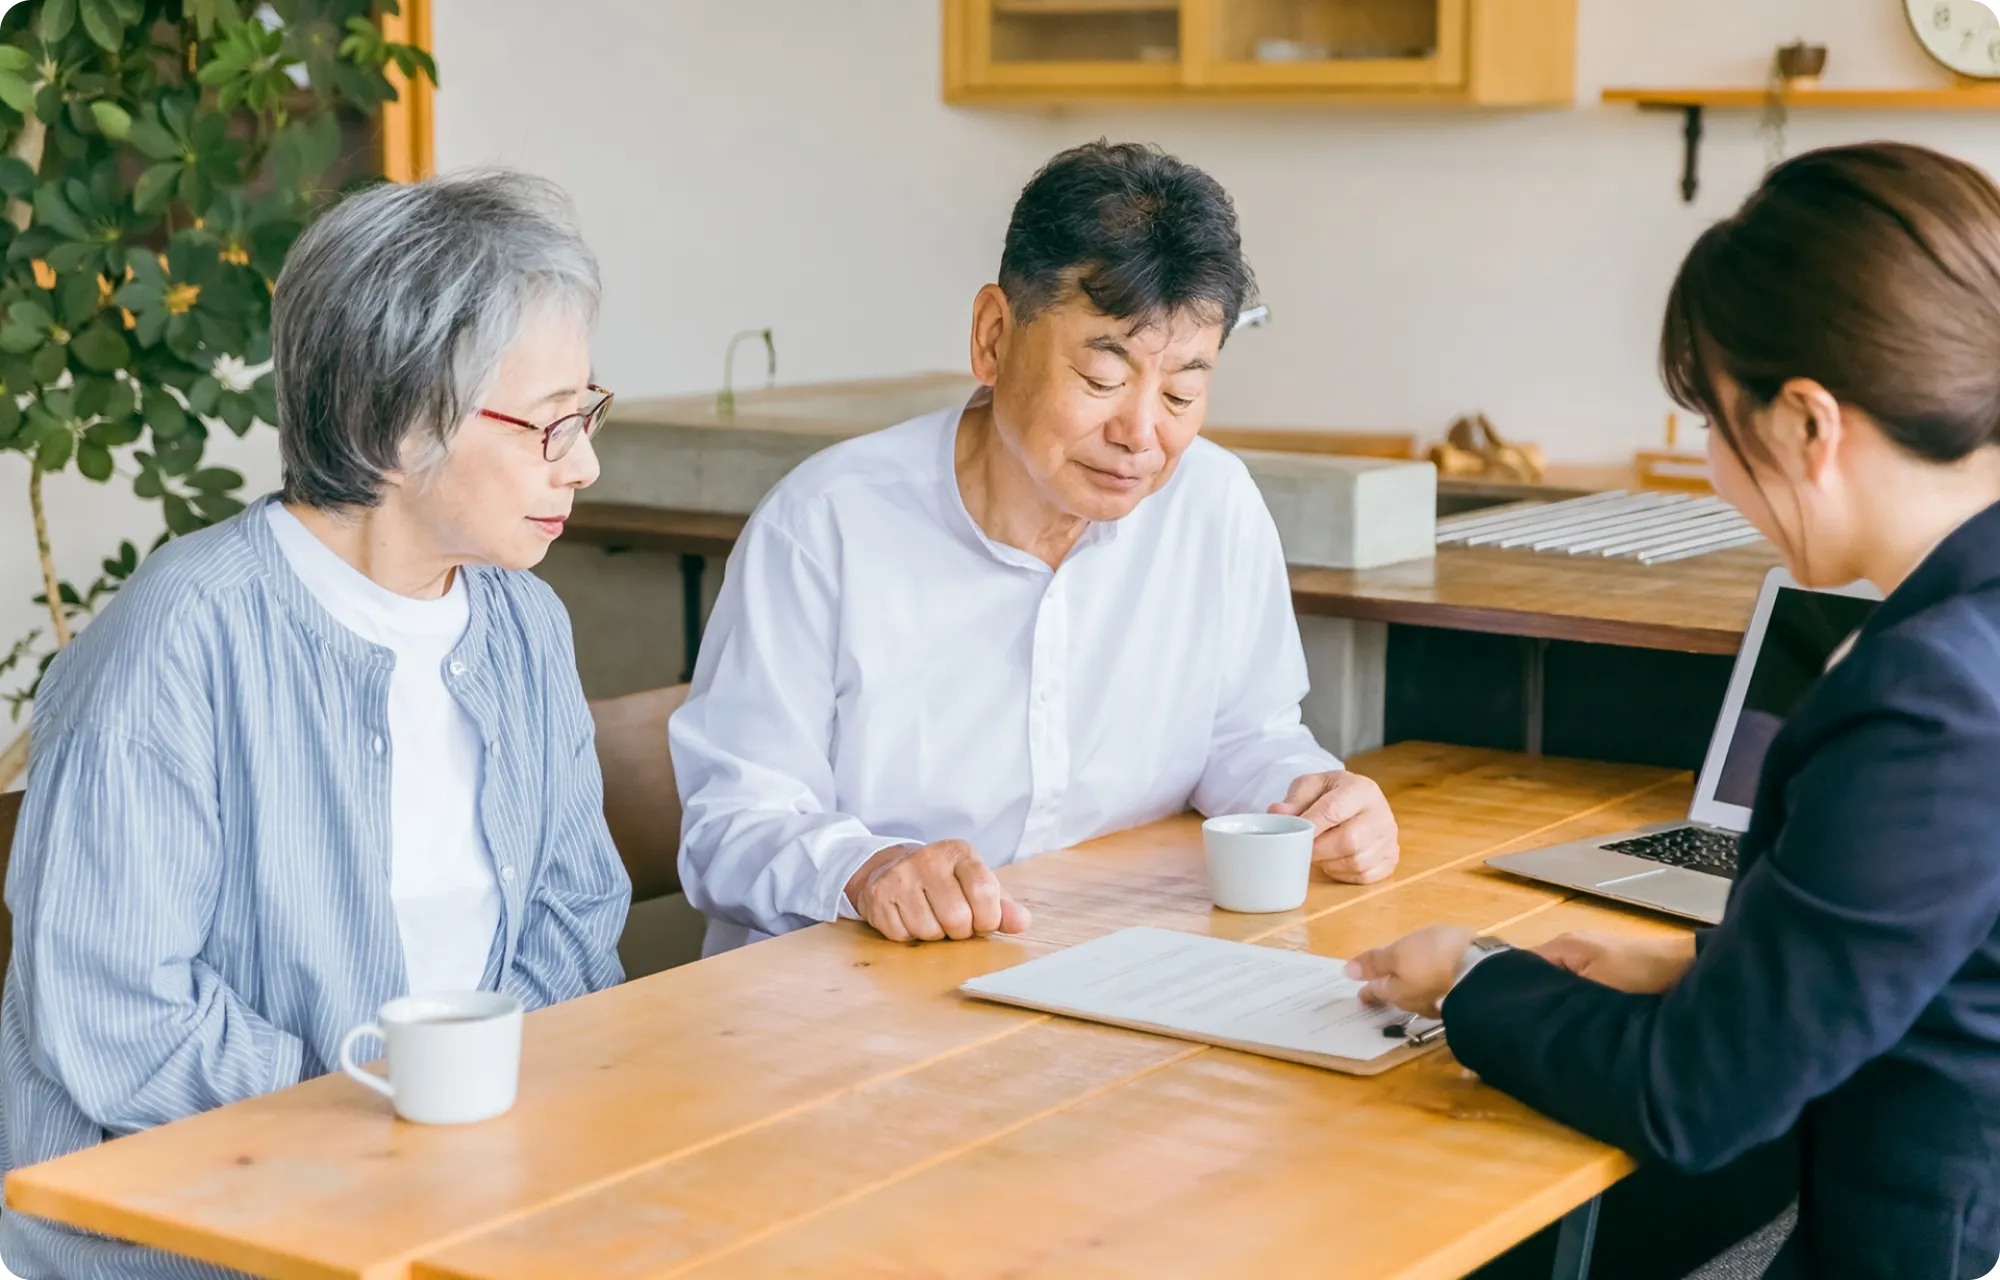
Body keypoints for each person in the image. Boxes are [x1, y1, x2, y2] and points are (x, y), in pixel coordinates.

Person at [1349, 141, 2000, 1279]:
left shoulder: (1931, 697)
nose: (1709, 465)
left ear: (1808, 420)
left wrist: (1471, 976)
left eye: (1714, 419)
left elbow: (1694, 1097)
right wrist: (1702, 971)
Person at [0, 172, 631, 1278]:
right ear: (393, 423)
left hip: (460, 1207)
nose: (583, 461)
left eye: (587, 413)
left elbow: (573, 923)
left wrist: (475, 1135)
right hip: (190, 1238)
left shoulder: (525, 623)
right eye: (549, 424)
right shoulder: (179, 640)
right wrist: (384, 1117)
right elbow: (115, 1012)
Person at [673, 140, 1399, 955]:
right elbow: (731, 826)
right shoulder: (825, 525)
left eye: (1183, 391)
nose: (1140, 435)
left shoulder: (1213, 505)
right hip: (851, 999)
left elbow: (1241, 737)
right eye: (1101, 380)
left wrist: (1310, 800)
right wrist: (867, 870)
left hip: (1108, 965)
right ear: (992, 336)